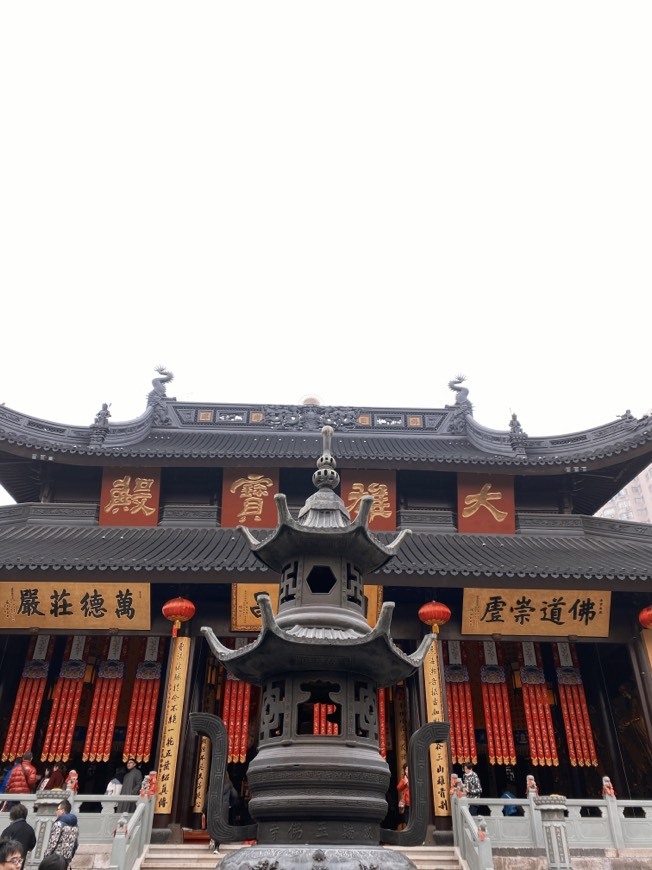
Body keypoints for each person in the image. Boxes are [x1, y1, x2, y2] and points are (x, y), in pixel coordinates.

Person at [43, 799, 79, 869]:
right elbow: (76, 844)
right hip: (67, 860)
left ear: (62, 810)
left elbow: (52, 844)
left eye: (57, 809)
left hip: (56, 860)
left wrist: (46, 857)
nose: (56, 811)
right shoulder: (75, 825)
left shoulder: (59, 824)